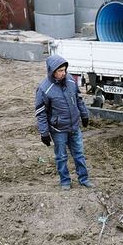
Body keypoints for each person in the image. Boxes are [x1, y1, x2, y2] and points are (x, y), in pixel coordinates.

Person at [35, 54, 92, 190]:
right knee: (61, 156)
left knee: (79, 154)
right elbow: (40, 113)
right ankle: (65, 181)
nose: (63, 73)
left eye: (64, 70)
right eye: (60, 71)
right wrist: (44, 133)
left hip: (74, 126)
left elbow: (78, 99)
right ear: (52, 71)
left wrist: (84, 115)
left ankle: (84, 179)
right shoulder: (44, 88)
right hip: (58, 129)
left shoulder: (71, 80)